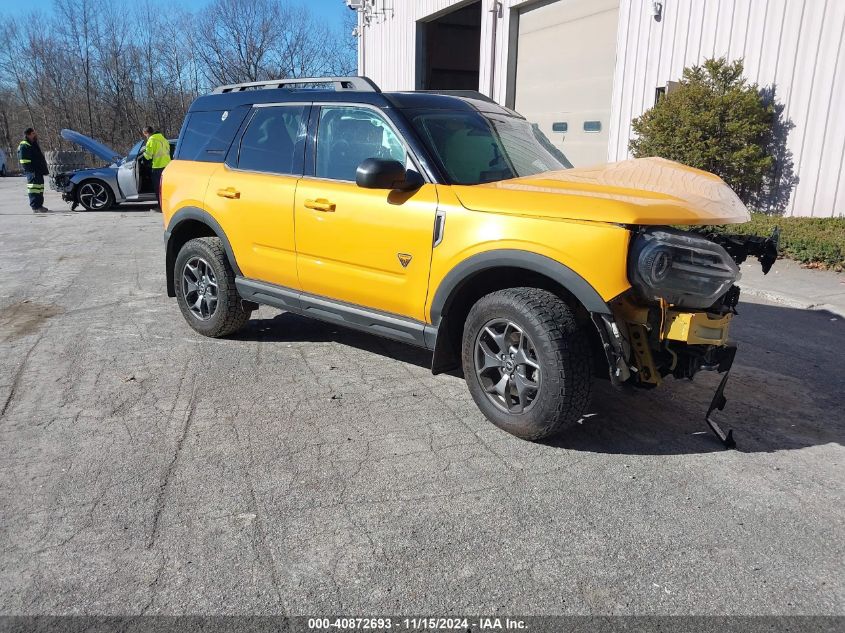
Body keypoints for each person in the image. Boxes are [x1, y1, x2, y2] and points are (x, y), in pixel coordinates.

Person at [18, 128, 50, 213]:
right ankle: (35, 207)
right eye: (32, 133)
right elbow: (24, 161)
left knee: (39, 189)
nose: (34, 135)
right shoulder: (24, 145)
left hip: (38, 171)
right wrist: (31, 171)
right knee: (34, 190)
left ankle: (39, 205)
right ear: (28, 135)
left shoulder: (33, 143)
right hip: (32, 172)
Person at [141, 126, 171, 209]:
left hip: (157, 167)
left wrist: (144, 157)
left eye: (145, 135)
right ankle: (167, 206)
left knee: (158, 188)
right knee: (165, 188)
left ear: (146, 133)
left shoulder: (151, 140)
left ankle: (160, 207)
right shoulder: (163, 139)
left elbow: (148, 156)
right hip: (167, 166)